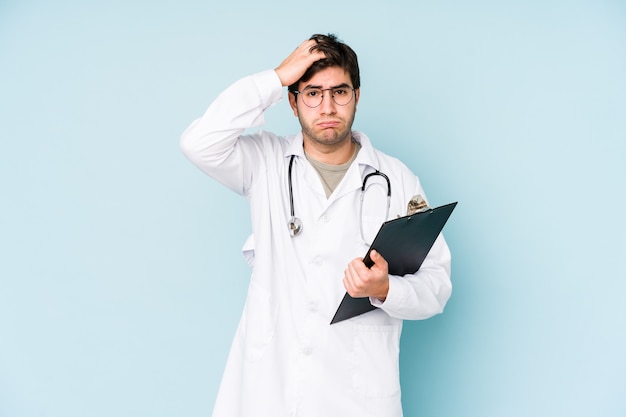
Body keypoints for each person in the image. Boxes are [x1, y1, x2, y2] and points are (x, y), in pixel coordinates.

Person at [180, 33, 452, 417]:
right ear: (293, 103)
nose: (327, 106)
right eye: (312, 93)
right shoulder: (265, 163)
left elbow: (437, 286)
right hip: (269, 389)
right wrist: (276, 78)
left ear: (357, 96)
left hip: (356, 394)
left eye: (339, 92)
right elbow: (199, 143)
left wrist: (386, 288)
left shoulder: (396, 179)